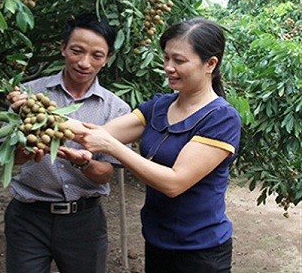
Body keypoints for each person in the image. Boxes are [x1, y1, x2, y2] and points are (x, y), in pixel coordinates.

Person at [62, 17, 241, 273]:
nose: (168, 67)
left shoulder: (221, 118)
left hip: (201, 252)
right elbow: (97, 133)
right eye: (166, 58)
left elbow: (174, 183)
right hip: (158, 241)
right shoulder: (159, 106)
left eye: (179, 61)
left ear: (210, 64)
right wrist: (38, 114)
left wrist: (112, 147)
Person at [4, 13, 130, 273]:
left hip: (85, 221)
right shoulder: (29, 96)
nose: (85, 63)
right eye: (77, 51)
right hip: (29, 217)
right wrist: (25, 152)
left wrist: (82, 164)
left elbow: (106, 174)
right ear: (63, 48)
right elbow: (8, 159)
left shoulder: (116, 110)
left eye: (96, 55)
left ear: (106, 59)